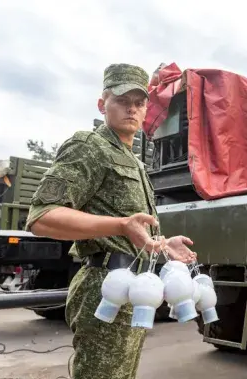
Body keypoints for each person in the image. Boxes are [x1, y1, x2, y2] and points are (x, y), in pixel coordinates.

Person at [25, 63, 197, 379]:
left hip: (134, 288)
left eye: (139, 102)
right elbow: (42, 217)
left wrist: (160, 245)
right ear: (102, 105)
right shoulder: (90, 146)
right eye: (121, 100)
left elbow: (130, 231)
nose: (131, 108)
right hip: (104, 287)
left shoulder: (135, 161)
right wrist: (119, 225)